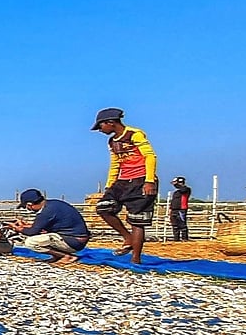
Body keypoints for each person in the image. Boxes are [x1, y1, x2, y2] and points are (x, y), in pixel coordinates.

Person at [91, 107, 158, 264]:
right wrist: (109, 186)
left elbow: (150, 156)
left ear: (110, 122)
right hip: (123, 181)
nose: (100, 130)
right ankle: (127, 237)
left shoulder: (134, 134)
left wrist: (149, 180)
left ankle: (136, 259)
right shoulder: (112, 142)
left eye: (101, 126)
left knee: (137, 219)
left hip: (141, 179)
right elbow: (115, 164)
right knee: (104, 207)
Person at [10, 189, 91, 266]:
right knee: (43, 237)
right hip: (76, 239)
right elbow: (39, 226)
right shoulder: (53, 205)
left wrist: (17, 228)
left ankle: (66, 256)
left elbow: (32, 232)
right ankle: (58, 256)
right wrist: (25, 226)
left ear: (29, 205)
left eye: (26, 207)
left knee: (30, 242)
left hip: (73, 241)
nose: (28, 209)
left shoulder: (46, 212)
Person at [169, 176, 192, 241]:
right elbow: (173, 202)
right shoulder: (176, 192)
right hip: (174, 210)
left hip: (181, 209)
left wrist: (178, 184)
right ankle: (176, 239)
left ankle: (184, 239)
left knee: (182, 225)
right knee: (175, 225)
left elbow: (183, 189)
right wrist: (170, 210)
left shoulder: (186, 190)